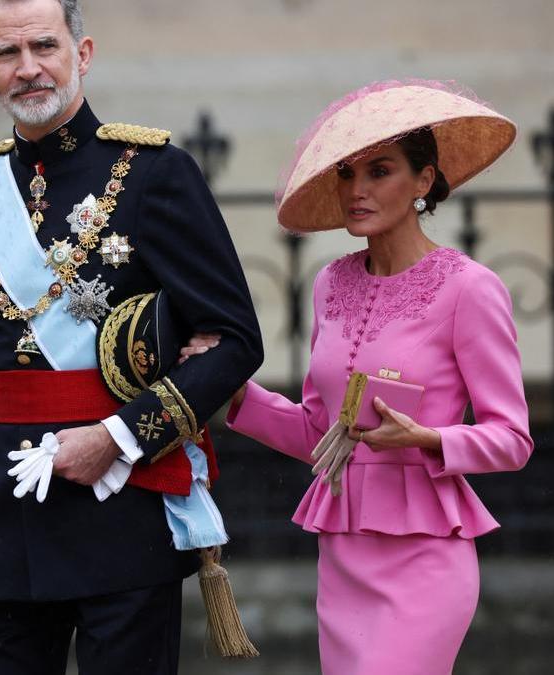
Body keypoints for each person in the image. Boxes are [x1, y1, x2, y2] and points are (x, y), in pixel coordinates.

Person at [0, 1, 263, 673]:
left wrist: (118, 438)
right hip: (2, 525)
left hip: (120, 513)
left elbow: (236, 340)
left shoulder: (154, 173)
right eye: (8, 54)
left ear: (81, 54)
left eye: (44, 46)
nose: (28, 69)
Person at [222, 80, 533, 674]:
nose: (356, 191)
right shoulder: (330, 284)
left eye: (380, 171)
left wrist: (427, 438)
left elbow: (512, 439)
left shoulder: (469, 288)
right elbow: (320, 430)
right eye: (346, 174)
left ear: (424, 181)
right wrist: (236, 394)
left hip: (426, 562)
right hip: (343, 556)